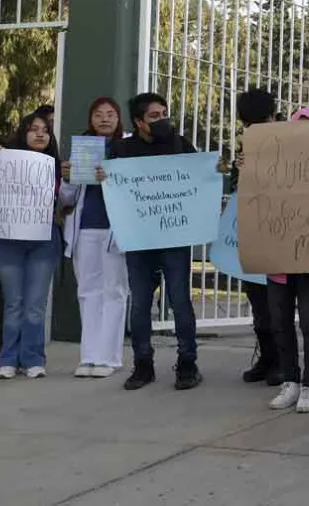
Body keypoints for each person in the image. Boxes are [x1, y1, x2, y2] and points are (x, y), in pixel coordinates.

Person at [112, 92, 203, 391]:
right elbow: (111, 185)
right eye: (154, 116)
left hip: (175, 236)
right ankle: (142, 365)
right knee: (139, 303)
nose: (162, 120)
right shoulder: (122, 150)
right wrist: (103, 175)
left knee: (179, 300)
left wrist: (215, 172)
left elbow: (201, 176)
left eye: (164, 113)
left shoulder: (180, 144)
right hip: (139, 238)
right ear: (138, 122)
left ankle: (187, 364)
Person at [265, 107, 309, 414]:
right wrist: (246, 166)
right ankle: (290, 382)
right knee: (280, 324)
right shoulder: (275, 162)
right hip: (280, 262)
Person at [59, 97, 129, 378]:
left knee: (114, 291)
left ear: (118, 118)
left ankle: (109, 358)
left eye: (110, 114)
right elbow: (67, 198)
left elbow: (134, 189)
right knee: (88, 292)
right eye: (98, 114)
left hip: (117, 230)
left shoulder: (127, 148)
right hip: (85, 229)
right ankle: (89, 356)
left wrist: (111, 177)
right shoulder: (83, 149)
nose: (104, 119)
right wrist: (68, 178)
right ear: (91, 119)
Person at [0, 113, 63, 379]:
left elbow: (66, 202)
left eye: (45, 130)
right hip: (9, 242)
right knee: (14, 303)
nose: (40, 134)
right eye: (34, 129)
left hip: (44, 242)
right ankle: (8, 359)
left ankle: (33, 358)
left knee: (35, 304)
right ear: (23, 133)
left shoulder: (57, 168)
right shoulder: (3, 162)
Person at [227, 88, 282, 387]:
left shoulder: (294, 142)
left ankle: (283, 363)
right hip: (251, 234)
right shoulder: (245, 147)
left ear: (273, 117)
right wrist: (241, 172)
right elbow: (238, 192)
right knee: (259, 305)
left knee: (279, 306)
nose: (252, 131)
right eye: (247, 126)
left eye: (258, 124)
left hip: (282, 237)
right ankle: (267, 358)